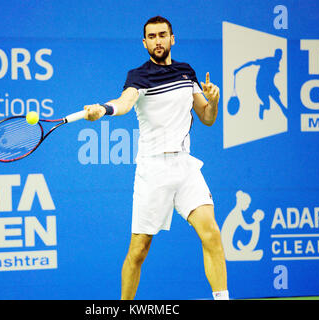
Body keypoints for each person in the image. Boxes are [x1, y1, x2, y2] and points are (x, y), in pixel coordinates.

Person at [83, 16, 229, 300]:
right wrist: (102, 109)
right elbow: (124, 103)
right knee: (139, 249)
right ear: (144, 42)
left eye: (163, 35)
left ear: (172, 38)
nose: (158, 41)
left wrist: (214, 100)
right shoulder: (139, 76)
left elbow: (207, 118)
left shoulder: (187, 72)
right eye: (152, 36)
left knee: (211, 232)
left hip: (185, 166)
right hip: (154, 170)